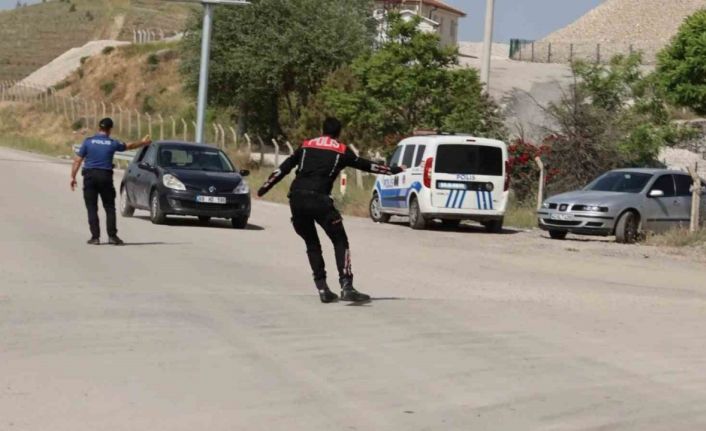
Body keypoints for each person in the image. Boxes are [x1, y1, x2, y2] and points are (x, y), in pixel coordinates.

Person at [257, 117, 404, 303]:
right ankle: (347, 286)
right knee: (339, 240)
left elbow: (282, 169)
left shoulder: (306, 145)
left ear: (322, 130)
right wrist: (394, 170)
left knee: (312, 243)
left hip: (297, 198)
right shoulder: (341, 150)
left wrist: (263, 189)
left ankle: (322, 288)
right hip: (319, 199)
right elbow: (368, 165)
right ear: (338, 132)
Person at [70, 118, 152, 245]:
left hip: (90, 176)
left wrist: (72, 177)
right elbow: (128, 146)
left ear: (99, 128)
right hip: (105, 176)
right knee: (109, 207)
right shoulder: (112, 143)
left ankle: (95, 237)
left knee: (92, 208)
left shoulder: (88, 142)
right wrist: (143, 142)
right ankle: (112, 236)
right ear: (110, 129)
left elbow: (77, 160)